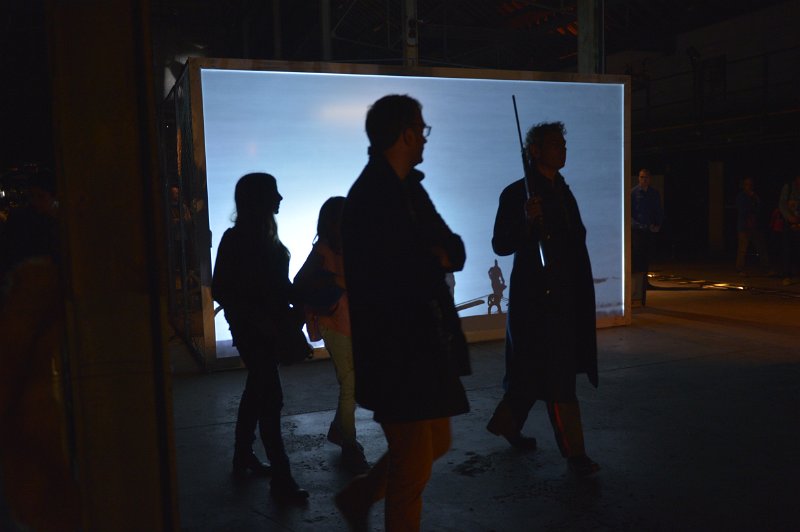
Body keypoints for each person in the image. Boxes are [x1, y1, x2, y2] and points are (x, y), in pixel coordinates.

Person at [335, 94, 470, 531]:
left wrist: (432, 258)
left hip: (423, 345)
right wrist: (432, 258)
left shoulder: (408, 188)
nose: (425, 138)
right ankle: (362, 499)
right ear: (407, 134)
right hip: (397, 351)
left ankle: (359, 496)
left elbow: (453, 250)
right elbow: (403, 272)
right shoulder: (371, 198)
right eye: (422, 129)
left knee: (434, 443)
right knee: (413, 465)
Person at [485, 121, 600, 477]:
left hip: (565, 297)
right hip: (535, 301)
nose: (562, 150)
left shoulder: (563, 192)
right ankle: (575, 454)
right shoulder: (516, 194)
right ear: (535, 151)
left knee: (535, 371)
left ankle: (507, 424)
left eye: (563, 144)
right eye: (554, 144)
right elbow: (500, 244)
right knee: (553, 375)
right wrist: (526, 221)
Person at [211, 172, 309, 502]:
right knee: (270, 399)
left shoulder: (243, 238)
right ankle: (281, 478)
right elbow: (225, 289)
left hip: (256, 330)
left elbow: (225, 289)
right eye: (274, 193)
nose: (280, 198)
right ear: (260, 200)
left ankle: (244, 457)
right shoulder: (254, 240)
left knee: (258, 392)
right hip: (258, 331)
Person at [294, 196, 369, 474]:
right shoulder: (325, 249)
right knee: (350, 383)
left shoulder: (348, 246)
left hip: (347, 321)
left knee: (352, 382)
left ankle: (341, 431)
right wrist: (336, 281)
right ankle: (348, 442)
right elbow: (300, 281)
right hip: (334, 321)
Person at [630, 168, 663, 304]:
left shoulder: (654, 193)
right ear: (638, 178)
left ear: (650, 179)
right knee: (638, 256)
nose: (644, 180)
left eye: (646, 177)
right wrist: (637, 225)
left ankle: (645, 282)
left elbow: (658, 210)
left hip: (649, 229)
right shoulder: (633, 193)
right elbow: (630, 213)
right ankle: (638, 286)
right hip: (638, 230)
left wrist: (658, 224)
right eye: (641, 177)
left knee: (647, 255)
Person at [734, 177, 771, 275]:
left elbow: (760, 208)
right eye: (747, 184)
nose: (749, 186)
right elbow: (743, 209)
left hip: (755, 226)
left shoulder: (755, 196)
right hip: (744, 226)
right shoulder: (741, 196)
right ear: (743, 186)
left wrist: (755, 199)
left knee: (761, 246)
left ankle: (766, 267)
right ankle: (740, 269)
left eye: (751, 184)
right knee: (742, 249)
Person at [778, 174, 800, 285]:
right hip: (788, 222)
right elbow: (782, 204)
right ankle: (786, 275)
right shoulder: (789, 188)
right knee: (787, 248)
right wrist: (789, 217)